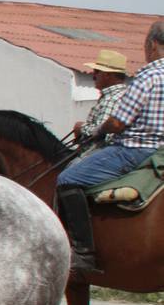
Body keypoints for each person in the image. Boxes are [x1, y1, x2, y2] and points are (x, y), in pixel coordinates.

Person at [57, 21, 164, 271]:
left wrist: (97, 131)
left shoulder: (147, 75)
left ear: (152, 44)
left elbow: (118, 122)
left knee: (67, 179)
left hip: (133, 149)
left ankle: (84, 252)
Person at [74, 49, 130, 146]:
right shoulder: (121, 95)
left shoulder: (111, 99)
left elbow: (102, 135)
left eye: (96, 72)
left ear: (107, 75)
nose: (94, 76)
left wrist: (81, 128)